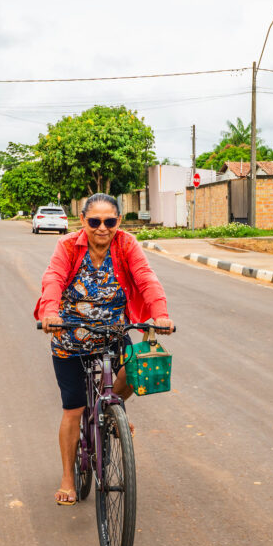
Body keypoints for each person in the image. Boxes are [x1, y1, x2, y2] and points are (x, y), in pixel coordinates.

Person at [34, 193, 173, 506]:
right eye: (94, 221)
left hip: (113, 332)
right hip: (69, 335)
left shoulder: (126, 244)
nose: (102, 228)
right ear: (83, 221)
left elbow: (146, 277)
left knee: (133, 372)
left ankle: (108, 408)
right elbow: (53, 277)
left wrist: (160, 313)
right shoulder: (68, 245)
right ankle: (68, 478)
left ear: (118, 221)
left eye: (109, 221)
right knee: (74, 408)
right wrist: (50, 312)